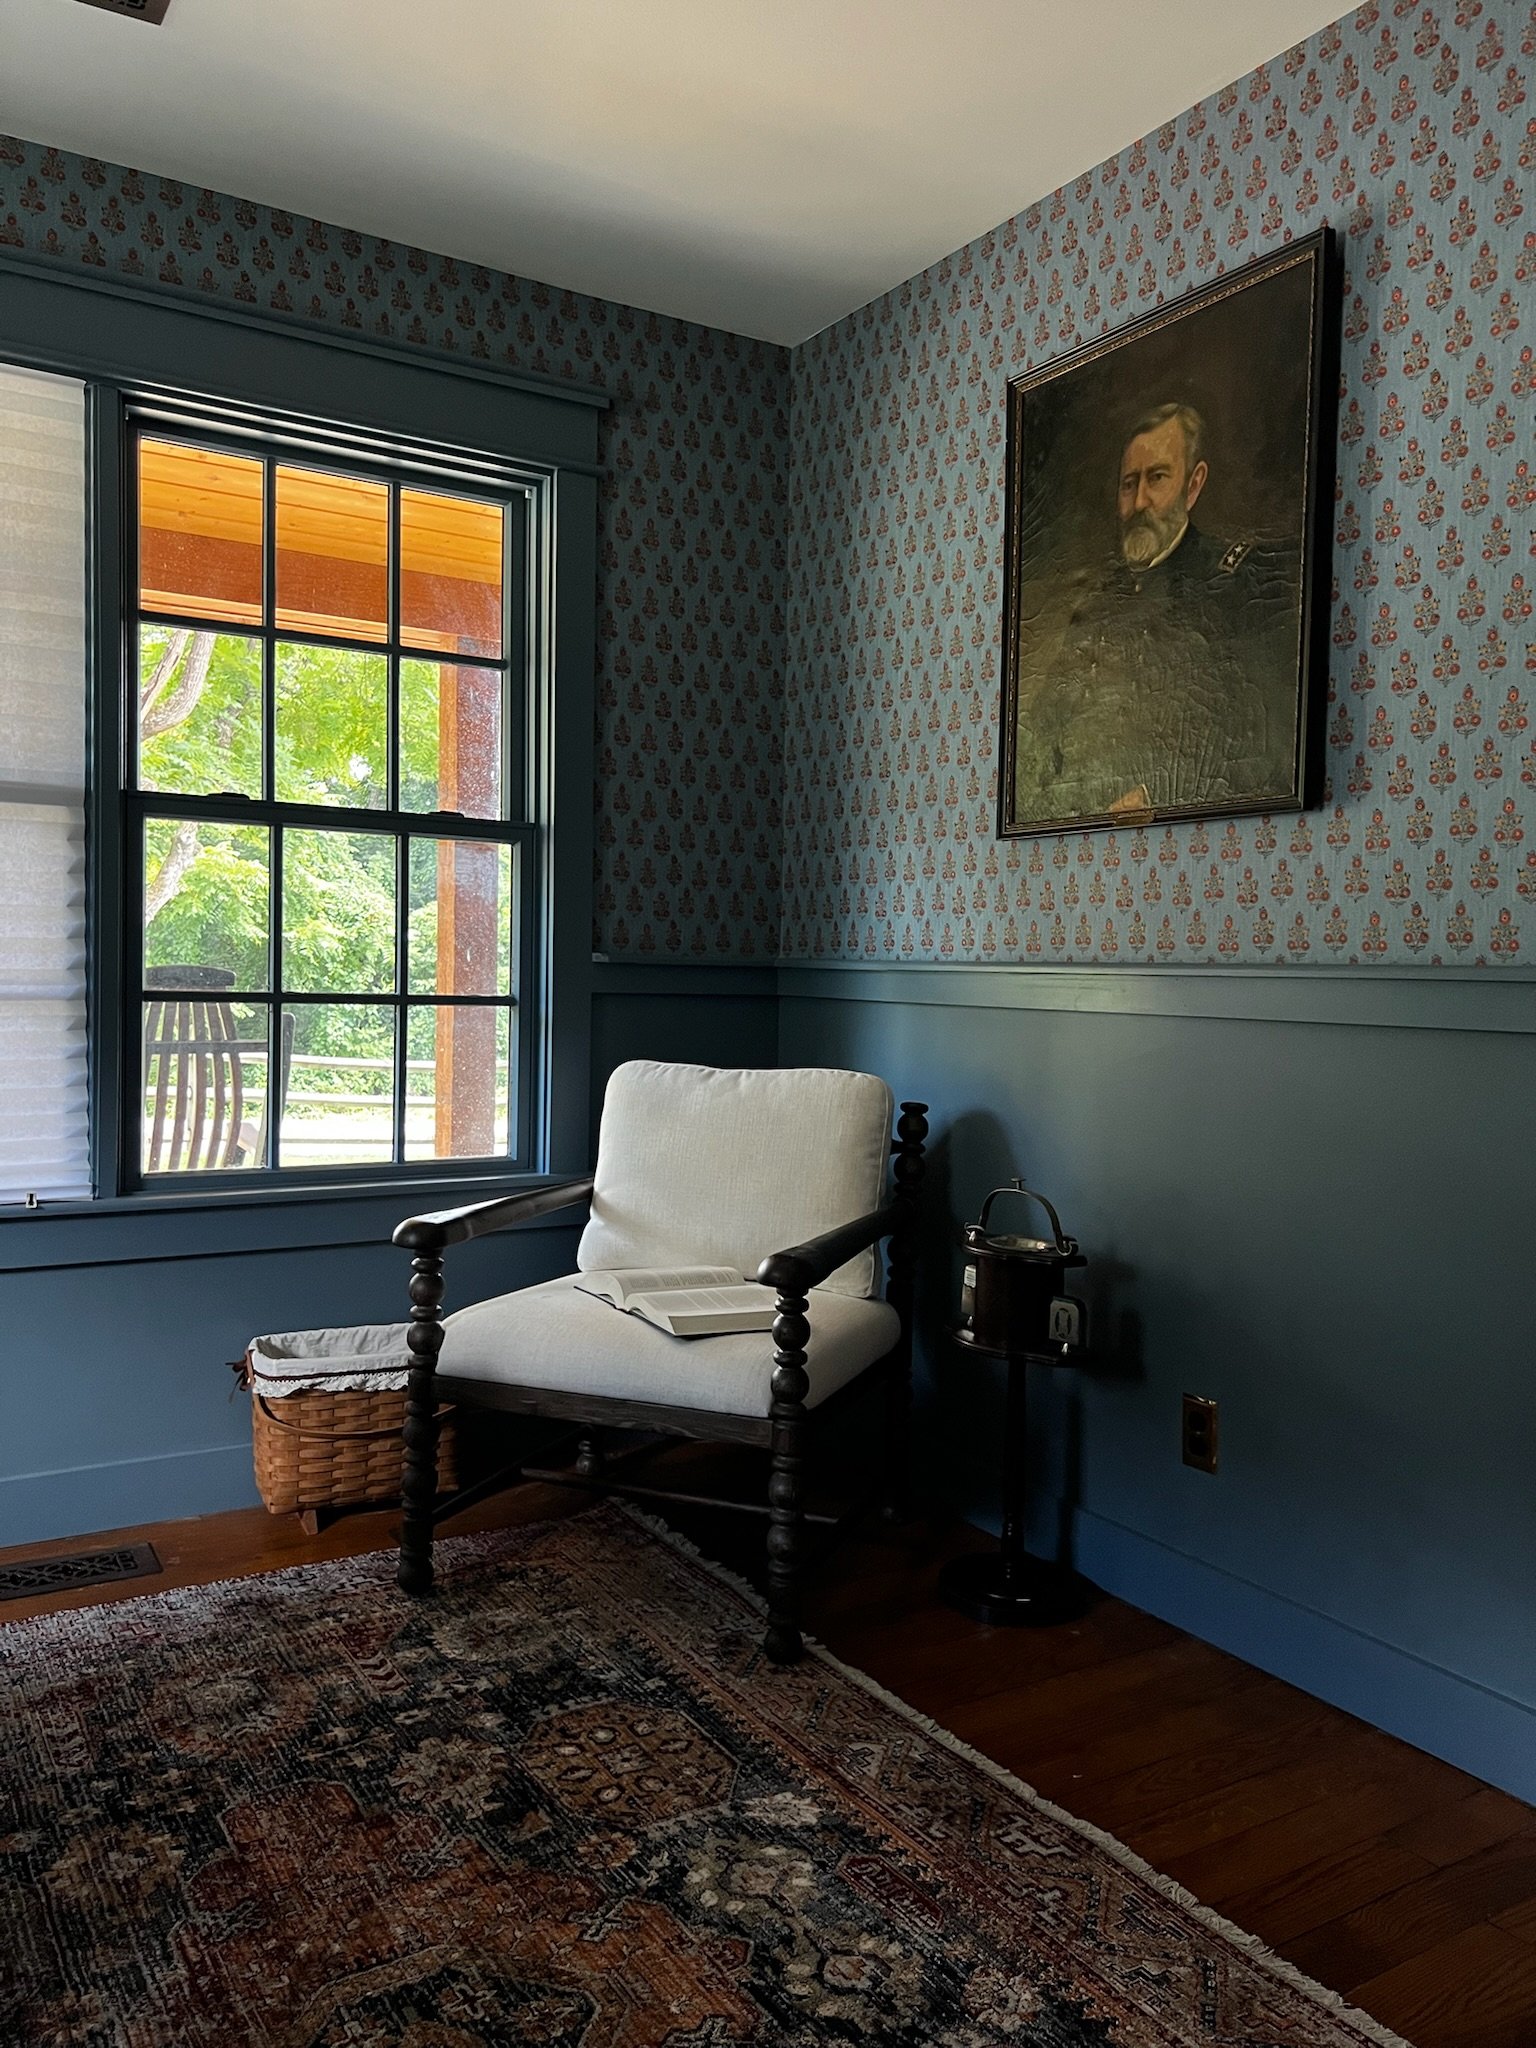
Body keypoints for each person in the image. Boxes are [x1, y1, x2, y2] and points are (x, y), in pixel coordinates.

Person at [1012, 402, 1298, 825]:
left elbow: (1273, 745)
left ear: (1193, 484)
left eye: (1157, 478)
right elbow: (1039, 742)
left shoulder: (1239, 582)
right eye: (1129, 485)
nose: (1139, 501)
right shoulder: (1095, 608)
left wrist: (1161, 795)